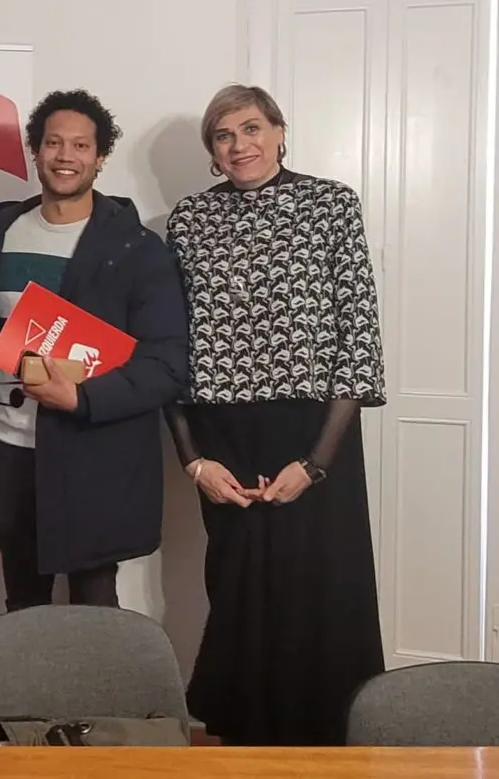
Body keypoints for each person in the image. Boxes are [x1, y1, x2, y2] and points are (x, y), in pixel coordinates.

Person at [164, 83, 386, 746]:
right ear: (212, 150)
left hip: (316, 429)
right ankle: (245, 739)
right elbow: (169, 345)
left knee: (322, 585)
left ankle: (328, 742)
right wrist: (192, 460)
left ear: (280, 132)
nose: (240, 145)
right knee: (241, 589)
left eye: (252, 128)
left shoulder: (332, 204)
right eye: (224, 135)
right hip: (224, 435)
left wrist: (315, 464)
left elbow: (358, 334)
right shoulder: (189, 219)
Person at [0, 89, 189, 610]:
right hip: (9, 450)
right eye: (53, 142)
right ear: (36, 151)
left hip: (91, 453)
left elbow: (166, 366)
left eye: (80, 145)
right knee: (23, 605)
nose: (65, 156)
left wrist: (82, 399)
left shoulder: (136, 250)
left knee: (94, 608)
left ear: (100, 157)